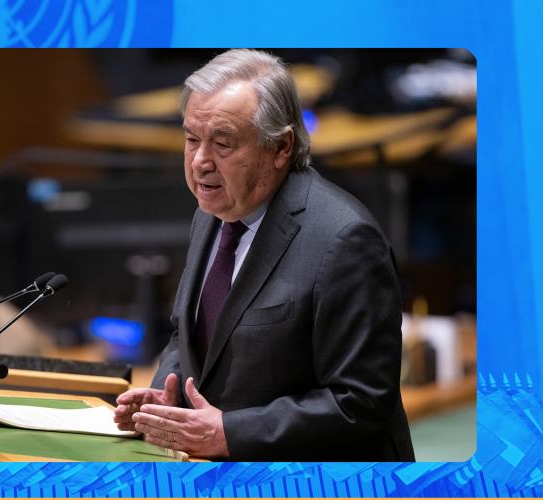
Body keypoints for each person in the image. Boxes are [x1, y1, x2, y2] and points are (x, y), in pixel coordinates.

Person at [112, 49, 414, 461]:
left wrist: (231, 432)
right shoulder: (212, 213)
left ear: (280, 148)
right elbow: (191, 336)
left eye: (222, 143)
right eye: (191, 139)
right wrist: (167, 400)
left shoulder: (345, 240)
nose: (200, 162)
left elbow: (360, 401)